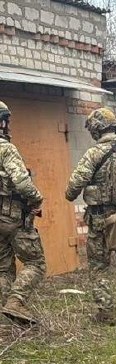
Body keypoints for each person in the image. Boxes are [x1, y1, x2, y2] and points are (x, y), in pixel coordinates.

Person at [65, 108, 116, 324]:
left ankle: (106, 314)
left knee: (98, 268)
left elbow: (74, 187)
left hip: (101, 222)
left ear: (96, 129)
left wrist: (72, 194)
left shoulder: (93, 154)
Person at [0, 100, 47, 325]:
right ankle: (15, 302)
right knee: (36, 263)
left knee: (3, 270)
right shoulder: (6, 149)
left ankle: (5, 320)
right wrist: (36, 199)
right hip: (12, 217)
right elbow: (22, 183)